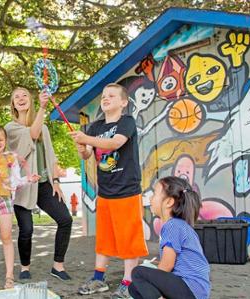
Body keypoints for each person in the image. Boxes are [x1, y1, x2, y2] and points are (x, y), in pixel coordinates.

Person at [70, 83, 148, 298]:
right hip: (105, 192)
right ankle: (98, 279)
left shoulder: (127, 122)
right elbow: (87, 155)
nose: (105, 99)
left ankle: (128, 282)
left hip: (127, 190)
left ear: (123, 102)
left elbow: (115, 143)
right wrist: (82, 149)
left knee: (128, 240)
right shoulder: (95, 126)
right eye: (104, 96)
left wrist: (86, 140)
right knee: (104, 239)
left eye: (111, 96)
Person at [5, 87, 73, 281]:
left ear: (31, 100)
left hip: (43, 184)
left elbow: (50, 155)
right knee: (27, 229)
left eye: (24, 95)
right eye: (16, 96)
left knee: (65, 220)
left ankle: (58, 266)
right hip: (23, 186)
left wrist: (56, 181)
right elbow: (31, 135)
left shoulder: (42, 126)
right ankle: (24, 267)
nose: (20, 98)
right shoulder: (11, 128)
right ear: (13, 104)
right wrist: (44, 107)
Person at [0, 125, 40, 290]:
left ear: (5, 141)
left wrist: (29, 179)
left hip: (5, 200)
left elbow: (16, 182)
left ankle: (9, 276)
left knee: (6, 237)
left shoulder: (11, 158)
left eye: (0, 139)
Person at [129, 176, 210, 299]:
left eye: (155, 193)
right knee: (134, 288)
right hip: (191, 289)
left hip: (190, 288)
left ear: (169, 202)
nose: (150, 198)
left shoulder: (172, 225)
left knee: (138, 273)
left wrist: (151, 276)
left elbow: (167, 265)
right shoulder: (180, 225)